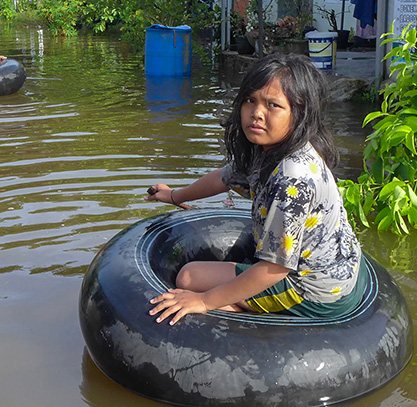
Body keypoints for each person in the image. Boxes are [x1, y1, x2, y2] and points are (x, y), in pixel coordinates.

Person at [145, 53, 363, 325]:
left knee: (189, 278)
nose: (257, 113)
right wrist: (174, 195)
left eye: (272, 105)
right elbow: (224, 178)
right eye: (250, 100)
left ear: (299, 113)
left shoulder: (292, 178)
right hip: (336, 267)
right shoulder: (273, 148)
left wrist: (204, 301)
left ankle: (239, 314)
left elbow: (274, 269)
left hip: (313, 290)